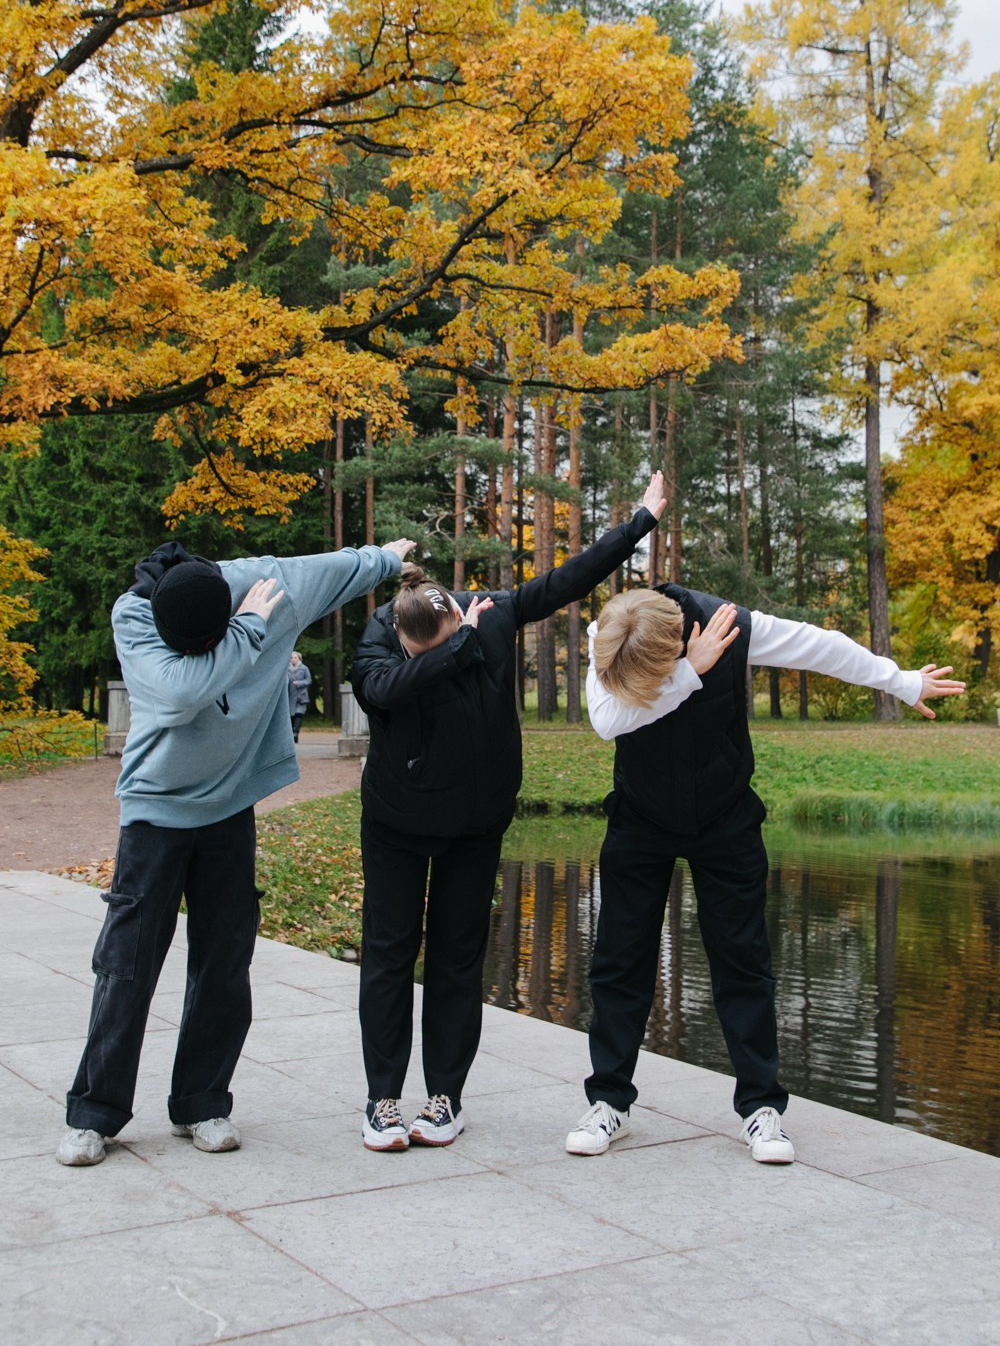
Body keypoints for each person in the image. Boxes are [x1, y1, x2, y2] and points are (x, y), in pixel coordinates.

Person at [565, 582, 966, 1163]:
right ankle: (609, 1104)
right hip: (641, 819)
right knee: (619, 961)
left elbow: (823, 647)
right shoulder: (613, 637)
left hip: (724, 818)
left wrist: (901, 680)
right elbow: (606, 721)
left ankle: (762, 1109)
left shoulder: (736, 626)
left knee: (743, 962)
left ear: (676, 641)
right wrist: (689, 675)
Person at [57, 533, 413, 1167]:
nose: (198, 653)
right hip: (154, 813)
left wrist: (387, 557)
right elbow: (177, 693)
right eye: (188, 646)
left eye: (210, 640)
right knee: (128, 965)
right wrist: (247, 633)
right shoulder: (134, 613)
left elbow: (334, 568)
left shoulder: (270, 584)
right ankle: (94, 1113)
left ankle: (202, 1102)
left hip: (229, 811)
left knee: (224, 964)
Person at [350, 474, 667, 1152]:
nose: (433, 655)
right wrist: (459, 647)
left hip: (474, 821)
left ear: (453, 615)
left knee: (458, 959)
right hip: (396, 823)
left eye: (448, 641)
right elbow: (388, 689)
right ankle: (382, 1099)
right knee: (388, 954)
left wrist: (638, 521)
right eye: (424, 651)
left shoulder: (487, 613)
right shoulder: (381, 642)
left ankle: (444, 1099)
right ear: (403, 635)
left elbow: (566, 581)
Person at [288, 650, 312, 741]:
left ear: (299, 659)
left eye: (295, 657)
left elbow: (308, 680)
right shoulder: (287, 669)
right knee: (291, 716)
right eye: (291, 658)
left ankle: (296, 732)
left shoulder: (304, 668)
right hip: (290, 695)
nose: (293, 659)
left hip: (301, 696)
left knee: (299, 714)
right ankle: (291, 733)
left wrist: (298, 683)